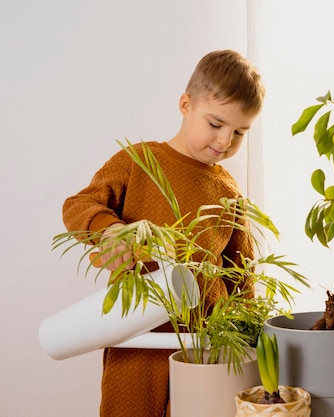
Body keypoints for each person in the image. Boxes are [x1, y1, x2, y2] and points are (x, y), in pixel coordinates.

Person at [62, 49, 265, 417]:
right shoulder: (139, 161)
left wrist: (246, 335)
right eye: (216, 124)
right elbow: (79, 205)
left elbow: (241, 272)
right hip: (137, 338)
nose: (224, 141)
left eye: (240, 132)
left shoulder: (229, 192)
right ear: (186, 104)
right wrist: (111, 234)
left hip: (206, 344)